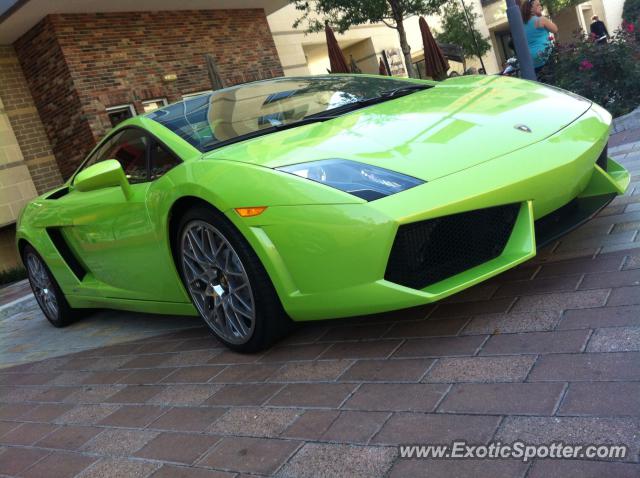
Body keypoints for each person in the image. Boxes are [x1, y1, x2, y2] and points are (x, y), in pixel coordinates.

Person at [520, 0, 558, 75]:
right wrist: (540, 15)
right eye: (538, 5)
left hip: (530, 61)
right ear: (530, 9)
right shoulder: (541, 20)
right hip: (544, 56)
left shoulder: (521, 25)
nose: (540, 7)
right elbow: (555, 29)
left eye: (540, 5)